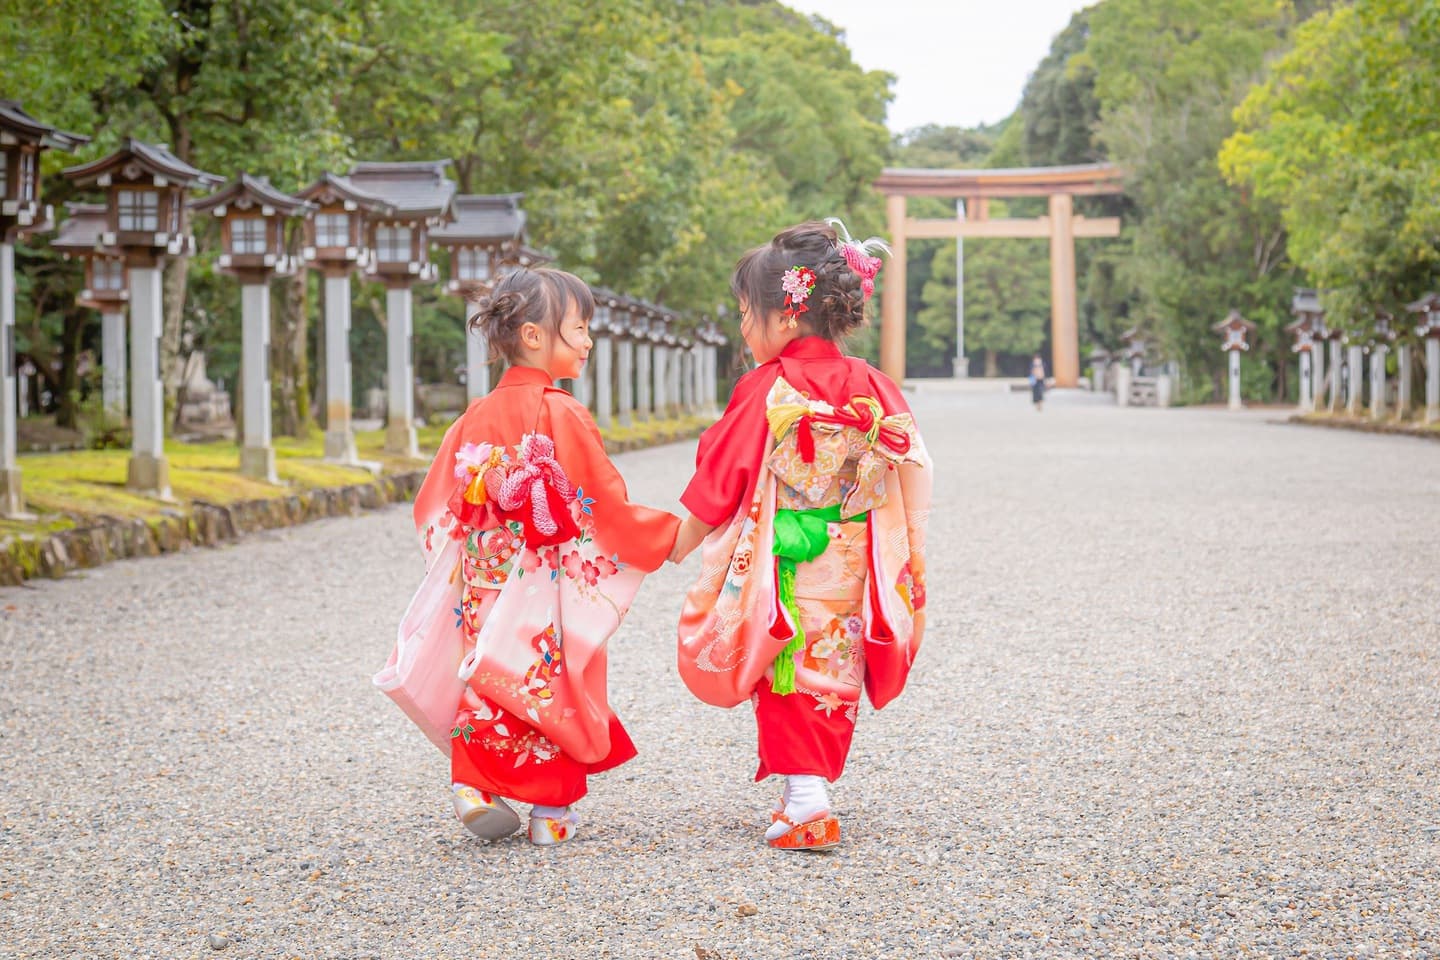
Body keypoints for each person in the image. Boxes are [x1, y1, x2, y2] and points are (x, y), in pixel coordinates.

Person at [381, 268, 679, 846]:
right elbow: (602, 504)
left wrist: (475, 543)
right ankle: (552, 816)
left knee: (488, 673)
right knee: (550, 677)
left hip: (487, 577)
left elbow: (435, 505)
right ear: (535, 335)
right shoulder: (560, 411)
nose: (589, 340)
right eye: (579, 328)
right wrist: (666, 537)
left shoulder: (474, 415)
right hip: (545, 578)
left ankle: (473, 786)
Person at [670, 220, 933, 852]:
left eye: (744, 314)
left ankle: (808, 797)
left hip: (783, 557)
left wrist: (678, 541)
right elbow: (914, 467)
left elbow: (724, 474)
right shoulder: (874, 385)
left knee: (782, 661)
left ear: (785, 318)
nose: (742, 329)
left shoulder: (767, 387)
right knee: (833, 663)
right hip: (850, 562)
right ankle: (804, 790)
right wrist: (910, 555)